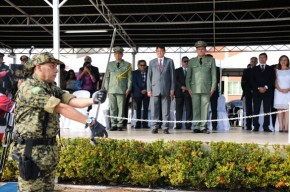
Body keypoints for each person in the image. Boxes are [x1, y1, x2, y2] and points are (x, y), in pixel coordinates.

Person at [11, 52, 107, 192]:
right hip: (31, 153)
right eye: (52, 66)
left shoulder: (50, 87)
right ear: (38, 67)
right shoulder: (30, 88)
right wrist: (90, 122)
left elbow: (70, 100)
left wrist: (93, 99)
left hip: (47, 152)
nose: (56, 70)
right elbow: (60, 107)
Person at [186, 40, 216, 134]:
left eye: (202, 49)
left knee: (205, 108)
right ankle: (196, 126)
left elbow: (214, 75)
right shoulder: (191, 61)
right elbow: (188, 77)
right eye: (199, 49)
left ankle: (203, 127)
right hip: (194, 88)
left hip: (206, 88)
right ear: (196, 50)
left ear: (205, 50)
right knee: (195, 108)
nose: (201, 50)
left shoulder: (211, 60)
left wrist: (213, 88)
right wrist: (188, 88)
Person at [147, 46, 175, 134]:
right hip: (154, 89)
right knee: (154, 109)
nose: (159, 52)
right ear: (156, 52)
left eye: (161, 51)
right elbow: (149, 77)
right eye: (158, 51)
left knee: (166, 109)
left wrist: (172, 89)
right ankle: (155, 126)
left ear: (164, 52)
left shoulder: (170, 61)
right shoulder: (152, 62)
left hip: (166, 88)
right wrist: (149, 89)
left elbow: (172, 77)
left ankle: (165, 127)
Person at [104, 46, 132, 131]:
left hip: (122, 89)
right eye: (116, 53)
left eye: (119, 53)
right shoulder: (110, 64)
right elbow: (107, 78)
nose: (117, 55)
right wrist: (106, 89)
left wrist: (128, 88)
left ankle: (120, 124)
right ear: (114, 55)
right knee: (113, 108)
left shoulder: (127, 65)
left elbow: (129, 78)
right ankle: (113, 124)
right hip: (111, 89)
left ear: (122, 54)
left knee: (121, 108)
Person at [251, 53, 275, 132]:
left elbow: (273, 79)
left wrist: (265, 87)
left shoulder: (271, 68)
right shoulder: (254, 69)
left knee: (267, 109)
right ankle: (256, 126)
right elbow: (252, 81)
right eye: (260, 57)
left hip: (267, 92)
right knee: (256, 109)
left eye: (263, 57)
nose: (261, 59)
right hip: (257, 92)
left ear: (266, 58)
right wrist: (258, 87)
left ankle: (266, 126)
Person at [174, 56, 192, 130]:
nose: (186, 62)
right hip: (179, 92)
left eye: (187, 61)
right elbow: (175, 80)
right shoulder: (177, 70)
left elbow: (193, 80)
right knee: (179, 109)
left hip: (188, 93)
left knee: (189, 109)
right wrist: (182, 87)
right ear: (182, 62)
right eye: (185, 61)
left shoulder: (191, 71)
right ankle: (178, 125)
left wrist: (187, 88)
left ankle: (188, 125)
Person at [274, 55, 290, 133]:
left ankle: (286, 127)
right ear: (279, 61)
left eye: (285, 60)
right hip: (279, 92)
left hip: (288, 92)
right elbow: (275, 81)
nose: (283, 61)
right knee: (280, 110)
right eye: (282, 60)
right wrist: (280, 89)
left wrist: (288, 89)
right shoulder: (276, 70)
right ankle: (281, 126)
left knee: (287, 110)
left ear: (287, 61)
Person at [241, 57, 258, 130]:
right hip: (248, 92)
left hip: (257, 92)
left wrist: (255, 89)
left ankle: (256, 125)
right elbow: (244, 82)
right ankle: (248, 125)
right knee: (248, 109)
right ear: (250, 62)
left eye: (255, 61)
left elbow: (259, 81)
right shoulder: (246, 71)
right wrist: (249, 90)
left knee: (256, 108)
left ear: (257, 62)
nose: (253, 62)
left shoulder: (259, 70)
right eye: (252, 61)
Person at [132, 60, 150, 128]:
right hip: (137, 93)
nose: (143, 66)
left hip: (146, 93)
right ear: (138, 65)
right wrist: (140, 90)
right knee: (138, 109)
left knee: (146, 109)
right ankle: (138, 123)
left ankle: (145, 124)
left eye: (144, 65)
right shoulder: (134, 73)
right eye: (141, 65)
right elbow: (134, 83)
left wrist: (146, 89)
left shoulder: (148, 72)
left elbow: (150, 82)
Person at [207, 54, 220, 131]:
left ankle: (214, 125)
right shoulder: (201, 68)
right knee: (204, 109)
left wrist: (211, 89)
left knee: (214, 109)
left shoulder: (217, 69)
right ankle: (203, 125)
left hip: (213, 91)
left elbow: (216, 80)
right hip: (204, 91)